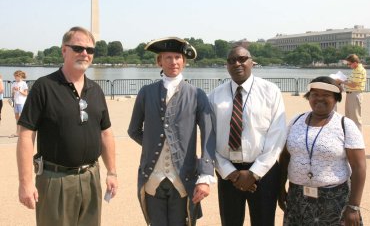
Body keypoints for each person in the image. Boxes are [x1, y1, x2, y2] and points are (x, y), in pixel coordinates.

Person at [16, 26, 118, 226]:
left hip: (90, 177)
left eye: (90, 50)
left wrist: (112, 171)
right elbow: (26, 135)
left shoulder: (96, 90)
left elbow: (106, 133)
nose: (85, 54)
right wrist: (25, 182)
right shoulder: (44, 87)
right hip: (55, 180)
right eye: (78, 48)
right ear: (64, 50)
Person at [127, 37, 216, 226]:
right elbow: (133, 130)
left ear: (184, 62)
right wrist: (154, 146)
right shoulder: (146, 92)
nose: (173, 62)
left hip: (184, 177)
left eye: (178, 57)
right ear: (159, 61)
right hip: (152, 176)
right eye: (168, 57)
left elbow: (208, 135)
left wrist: (206, 176)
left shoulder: (197, 94)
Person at [208, 46, 286, 226]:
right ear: (226, 66)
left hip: (264, 173)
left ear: (252, 62)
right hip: (228, 173)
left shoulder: (270, 91)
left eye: (242, 59)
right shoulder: (214, 96)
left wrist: (254, 173)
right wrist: (231, 174)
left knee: (264, 222)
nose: (237, 63)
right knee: (230, 222)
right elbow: (209, 139)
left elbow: (277, 135)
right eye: (231, 60)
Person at [279, 76, 366, 226]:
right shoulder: (295, 121)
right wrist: (280, 189)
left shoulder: (345, 125)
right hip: (297, 199)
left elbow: (359, 167)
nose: (319, 99)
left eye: (326, 95)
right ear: (309, 97)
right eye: (315, 94)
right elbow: (285, 158)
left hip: (334, 200)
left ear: (336, 98)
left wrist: (353, 207)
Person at [340, 54, 367, 132]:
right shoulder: (356, 70)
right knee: (349, 117)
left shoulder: (359, 70)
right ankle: (351, 136)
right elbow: (352, 82)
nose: (348, 66)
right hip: (351, 94)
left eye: (349, 64)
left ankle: (358, 140)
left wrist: (342, 81)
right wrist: (345, 81)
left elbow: (354, 85)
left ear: (355, 63)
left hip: (355, 94)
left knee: (355, 118)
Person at [11, 70, 28, 137]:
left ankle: (23, 132)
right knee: (16, 117)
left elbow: (26, 94)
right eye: (15, 76)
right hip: (16, 102)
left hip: (21, 102)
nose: (15, 78)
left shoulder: (24, 83)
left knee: (22, 117)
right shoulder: (14, 83)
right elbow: (12, 94)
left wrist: (19, 90)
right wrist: (13, 91)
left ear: (20, 76)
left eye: (16, 76)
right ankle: (17, 132)